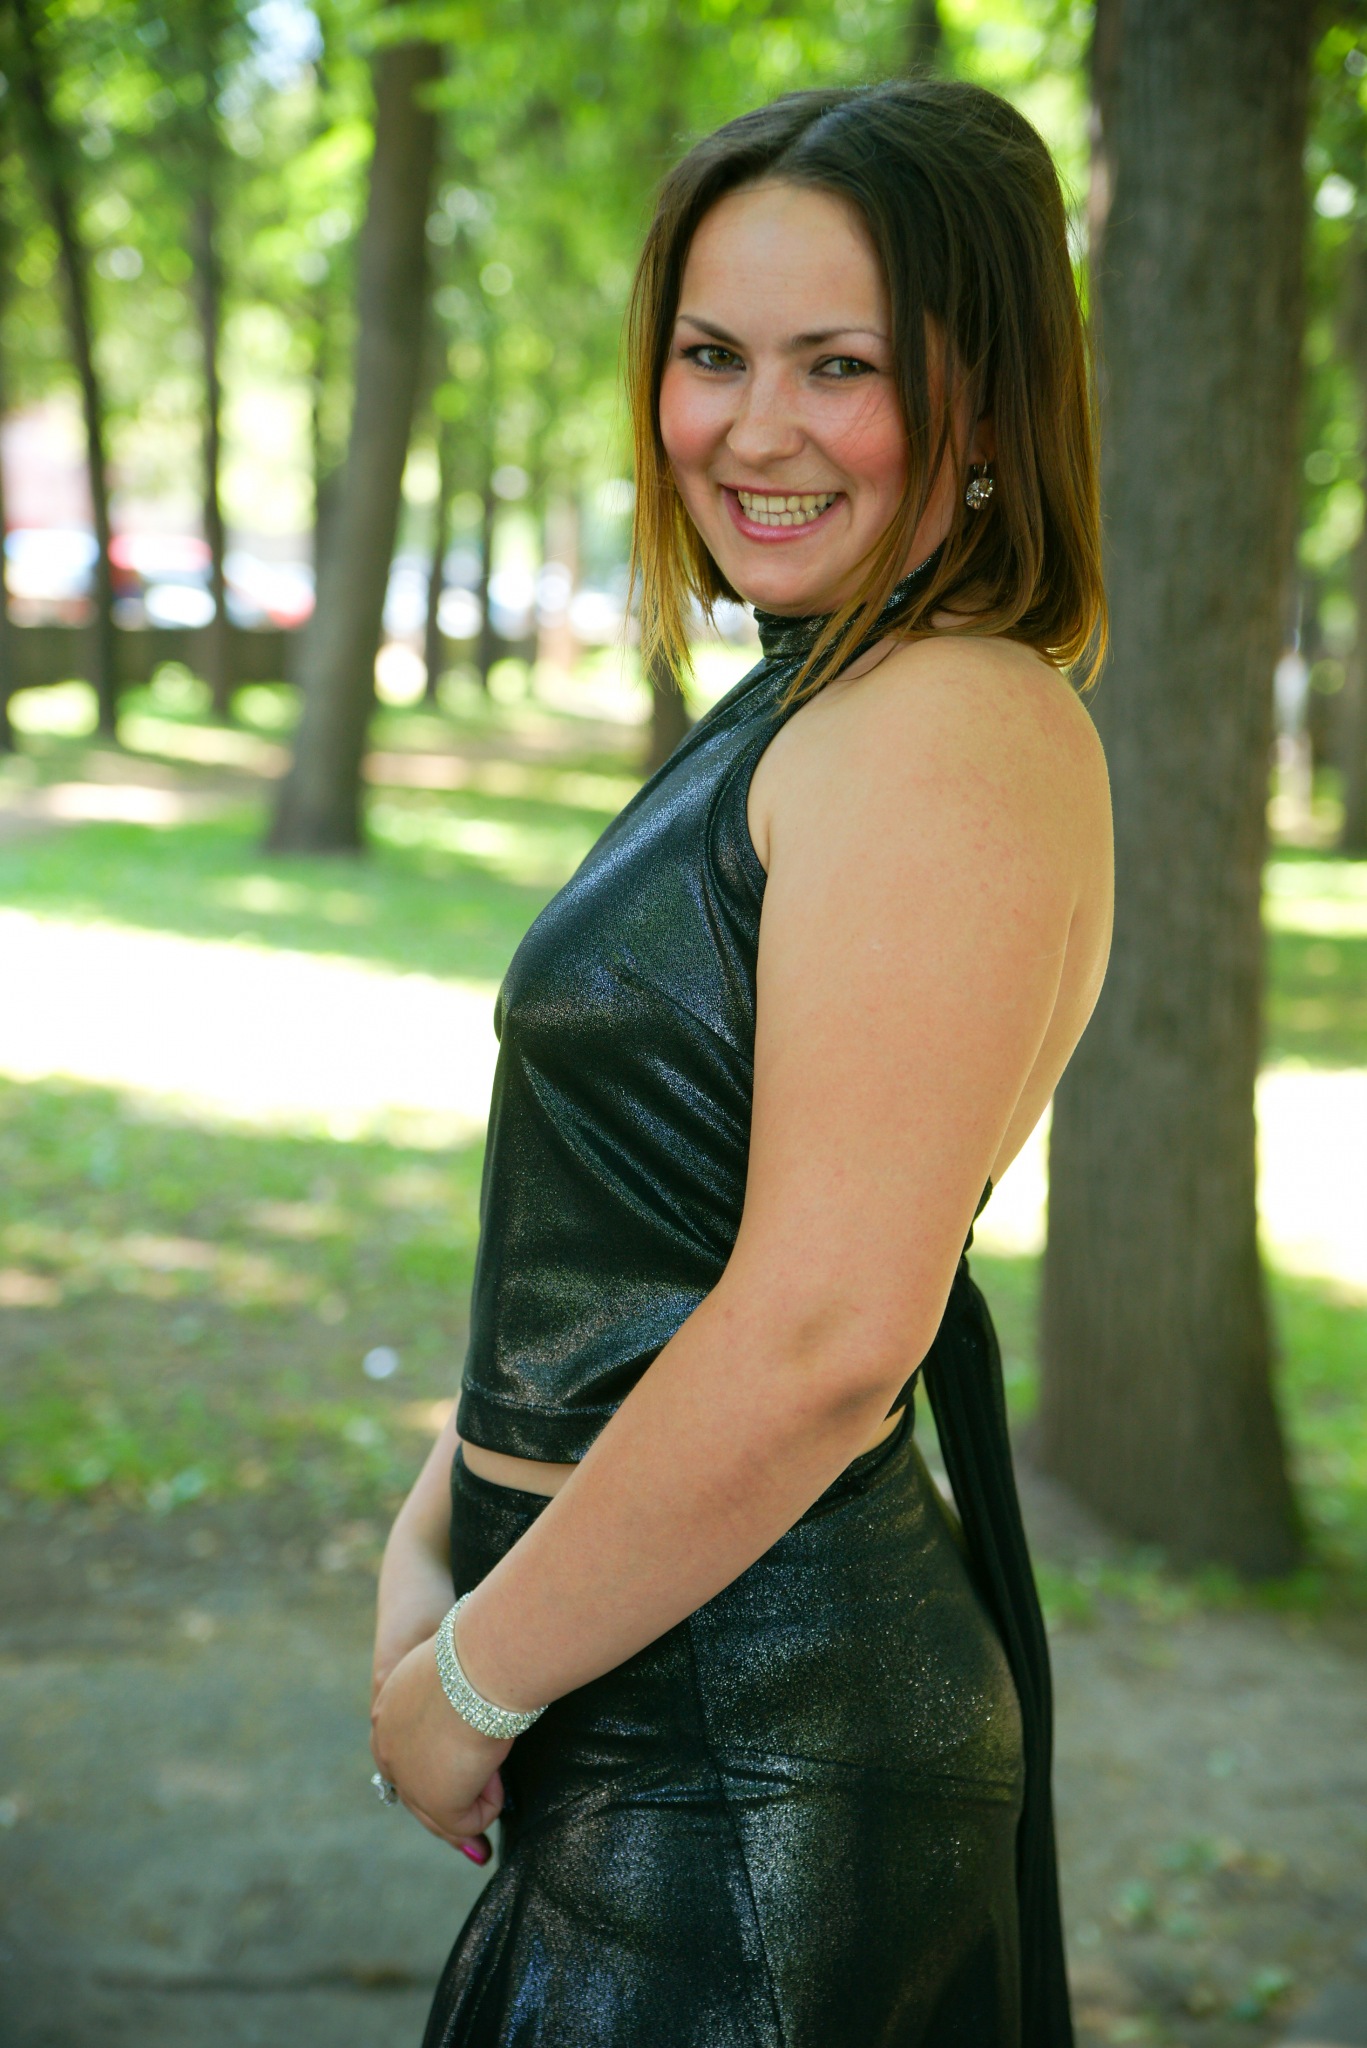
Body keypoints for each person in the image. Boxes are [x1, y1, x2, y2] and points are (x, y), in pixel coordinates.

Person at [370, 77, 1112, 2048]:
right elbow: (646, 1233)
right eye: (712, 355)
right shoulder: (815, 699)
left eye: (838, 365)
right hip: (650, 1687)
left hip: (753, 1756)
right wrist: (437, 1532)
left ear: (985, 402)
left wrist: (472, 1676)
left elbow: (822, 1334)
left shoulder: (941, 724)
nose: (752, 429)